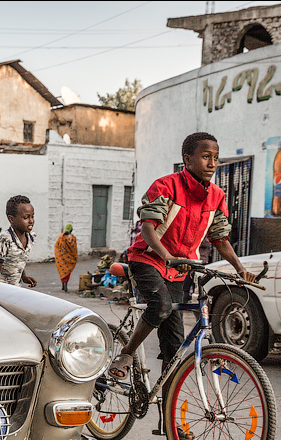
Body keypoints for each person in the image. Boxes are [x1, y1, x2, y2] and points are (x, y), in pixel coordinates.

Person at [107, 133, 255, 412]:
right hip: (147, 260)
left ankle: (168, 419)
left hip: (179, 269)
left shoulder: (217, 197)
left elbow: (220, 239)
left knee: (174, 346)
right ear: (188, 159)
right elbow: (148, 228)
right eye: (205, 156)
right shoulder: (166, 186)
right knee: (161, 305)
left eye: (215, 157)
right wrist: (167, 256)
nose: (212, 162)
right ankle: (126, 355)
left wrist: (240, 268)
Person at [0, 195, 37, 287]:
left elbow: (19, 259)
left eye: (32, 217)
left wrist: (24, 277)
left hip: (15, 287)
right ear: (11, 219)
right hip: (0, 287)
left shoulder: (31, 238)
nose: (31, 221)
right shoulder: (5, 239)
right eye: (26, 218)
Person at [54, 223, 78, 292]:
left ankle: (62, 284)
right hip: (70, 258)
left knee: (62, 271)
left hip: (61, 258)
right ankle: (66, 284)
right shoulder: (73, 238)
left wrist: (59, 254)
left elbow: (57, 246)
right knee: (67, 271)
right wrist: (75, 256)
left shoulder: (61, 237)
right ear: (71, 230)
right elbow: (74, 249)